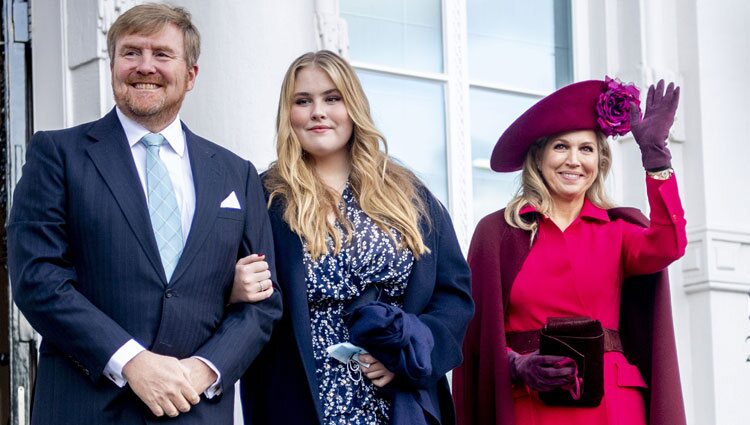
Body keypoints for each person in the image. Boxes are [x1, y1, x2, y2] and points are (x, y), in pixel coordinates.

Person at [7, 3, 281, 424]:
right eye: (131, 52)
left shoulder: (236, 173)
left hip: (197, 407)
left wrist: (202, 369)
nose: (144, 66)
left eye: (162, 54)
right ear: (114, 65)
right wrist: (132, 362)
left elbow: (263, 304)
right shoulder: (58, 155)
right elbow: (37, 278)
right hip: (88, 407)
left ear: (191, 75)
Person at [234, 50, 474, 425]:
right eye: (303, 101)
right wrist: (233, 289)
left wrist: (407, 357)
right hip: (299, 398)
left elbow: (454, 296)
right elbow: (230, 293)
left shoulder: (408, 194)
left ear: (353, 107)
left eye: (332, 98)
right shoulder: (265, 198)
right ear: (288, 114)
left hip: (397, 400)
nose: (318, 111)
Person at [452, 78, 687, 425]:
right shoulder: (498, 232)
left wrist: (656, 158)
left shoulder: (619, 231)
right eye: (561, 147)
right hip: (530, 404)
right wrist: (516, 364)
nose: (574, 161)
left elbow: (670, 243)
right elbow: (475, 336)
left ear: (600, 161)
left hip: (615, 407)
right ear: (539, 157)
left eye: (586, 149)